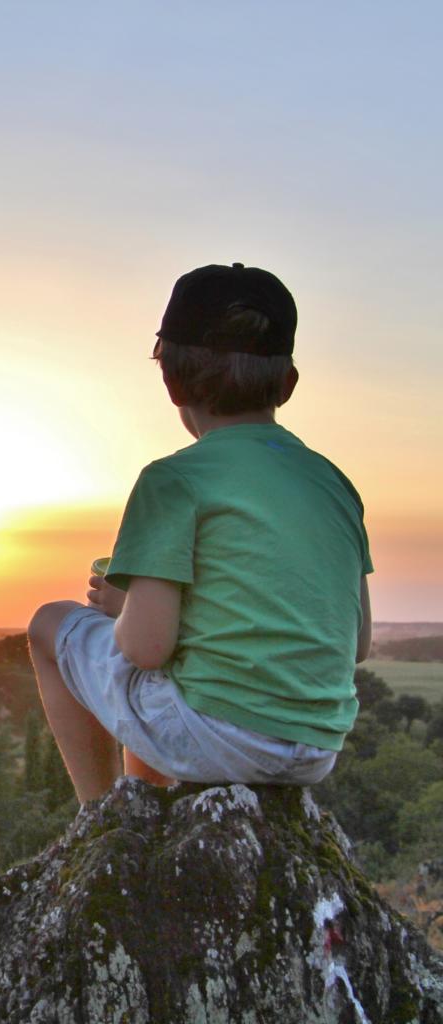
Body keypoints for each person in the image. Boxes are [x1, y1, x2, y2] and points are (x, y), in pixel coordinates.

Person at [28, 262, 373, 804]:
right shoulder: (335, 484)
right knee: (166, 680)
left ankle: (101, 817)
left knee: (49, 623)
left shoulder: (173, 481)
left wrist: (123, 604)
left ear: (171, 381)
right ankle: (144, 798)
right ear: (288, 382)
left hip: (219, 736)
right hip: (314, 747)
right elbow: (359, 642)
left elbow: (145, 647)